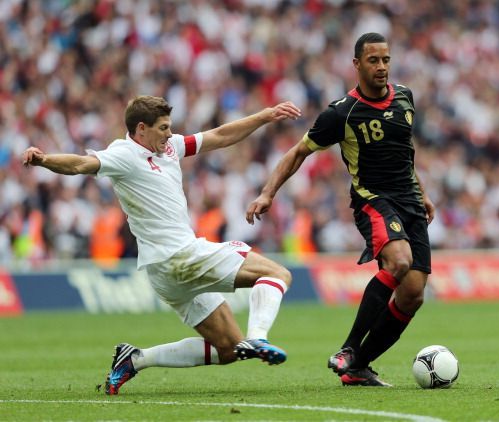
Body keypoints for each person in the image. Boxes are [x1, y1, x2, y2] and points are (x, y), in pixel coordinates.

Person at [22, 95, 301, 395]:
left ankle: (136, 359)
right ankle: (258, 336)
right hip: (180, 255)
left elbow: (219, 136)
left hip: (163, 271)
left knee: (230, 349)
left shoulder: (169, 148)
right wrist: (44, 160)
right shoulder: (123, 155)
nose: (170, 134)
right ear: (142, 129)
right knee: (277, 274)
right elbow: (80, 164)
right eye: (163, 128)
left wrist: (264, 115)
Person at [246, 32, 435, 387]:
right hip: (373, 200)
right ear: (357, 64)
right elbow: (298, 152)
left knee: (413, 294)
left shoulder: (406, 98)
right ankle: (349, 349)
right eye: (374, 60)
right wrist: (267, 193)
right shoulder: (341, 113)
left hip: (409, 201)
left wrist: (422, 194)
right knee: (399, 261)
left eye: (386, 60)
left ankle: (359, 366)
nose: (381, 67)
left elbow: (404, 154)